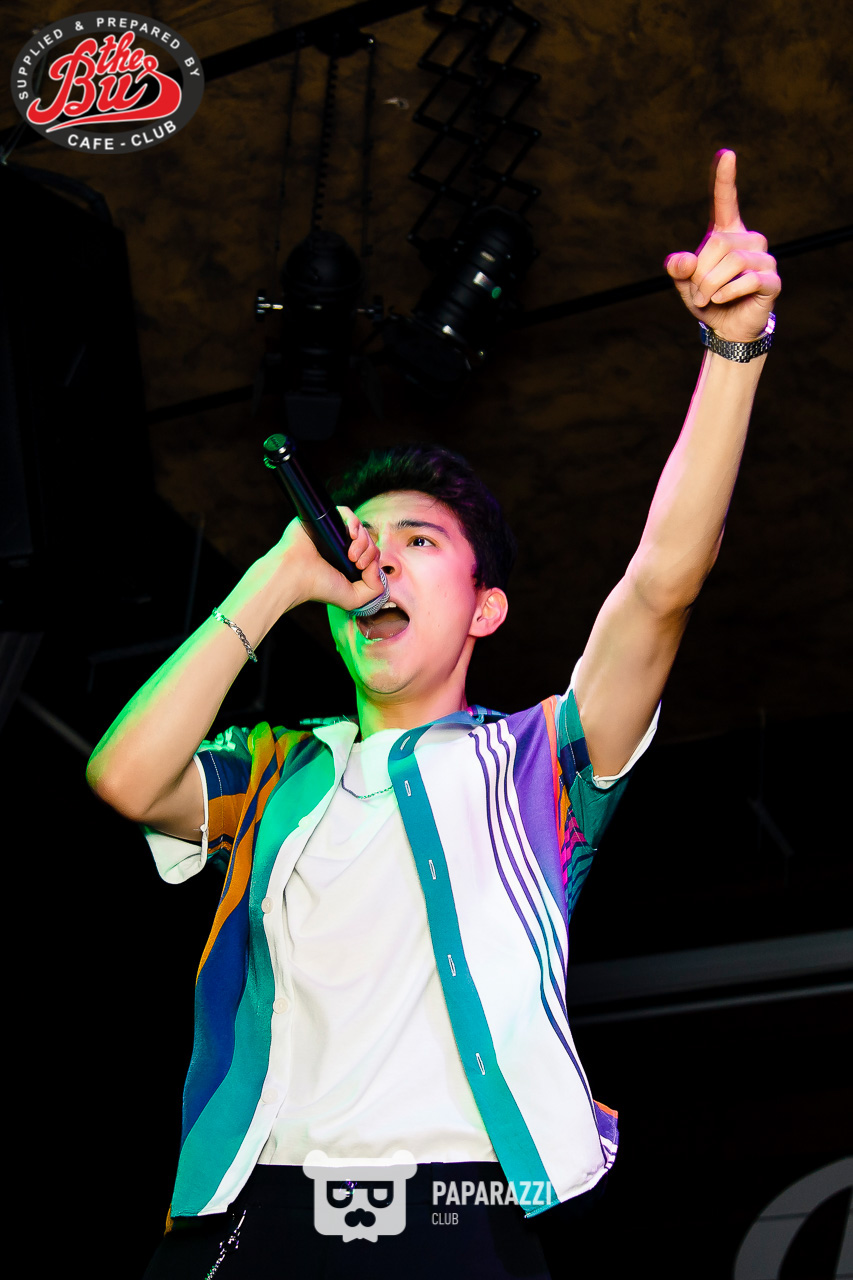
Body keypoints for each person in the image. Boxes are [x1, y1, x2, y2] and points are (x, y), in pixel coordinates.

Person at [87, 150, 780, 1279]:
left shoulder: (539, 758)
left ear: (484, 607)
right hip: (257, 1219)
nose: (381, 561)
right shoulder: (273, 769)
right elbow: (123, 779)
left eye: (420, 542)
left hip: (473, 1221)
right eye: (364, 541)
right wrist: (274, 576)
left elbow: (661, 582)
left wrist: (732, 351)